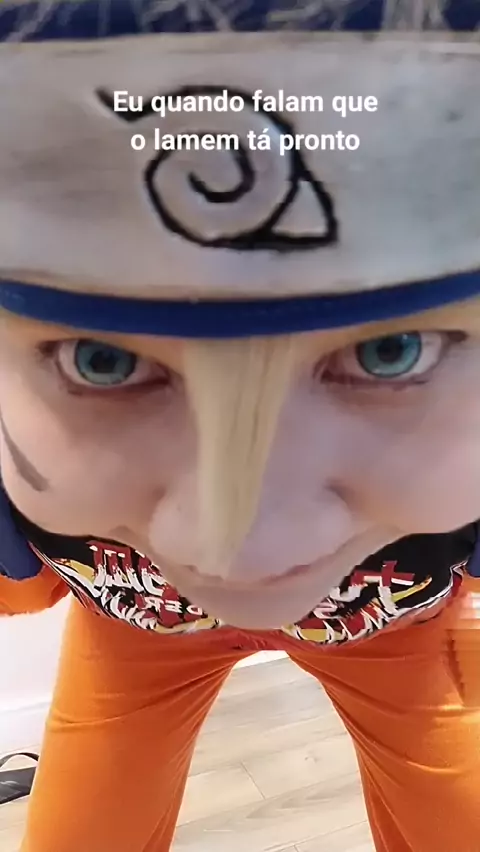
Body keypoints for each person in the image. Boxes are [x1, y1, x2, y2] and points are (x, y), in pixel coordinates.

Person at [0, 0, 480, 849]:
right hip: (138, 627)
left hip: (391, 627)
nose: (238, 553)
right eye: (101, 361)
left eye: (391, 353)